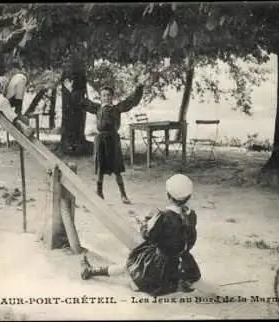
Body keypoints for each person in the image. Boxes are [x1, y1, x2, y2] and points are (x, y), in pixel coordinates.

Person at [80, 174, 201, 296]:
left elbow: (147, 235)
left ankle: (91, 271)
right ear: (188, 197)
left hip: (161, 265)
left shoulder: (163, 216)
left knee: (130, 266)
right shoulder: (191, 216)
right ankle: (178, 281)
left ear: (168, 195)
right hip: (181, 261)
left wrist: (144, 223)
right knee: (140, 264)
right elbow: (189, 240)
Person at [63, 74, 152, 204]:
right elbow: (82, 102)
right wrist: (71, 90)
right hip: (100, 141)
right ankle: (99, 193)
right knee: (100, 168)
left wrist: (139, 86)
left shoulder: (117, 108)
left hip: (113, 140)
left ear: (112, 97)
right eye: (104, 95)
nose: (106, 97)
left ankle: (123, 195)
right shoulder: (97, 108)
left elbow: (131, 101)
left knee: (117, 169)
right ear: (101, 97)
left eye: (108, 95)